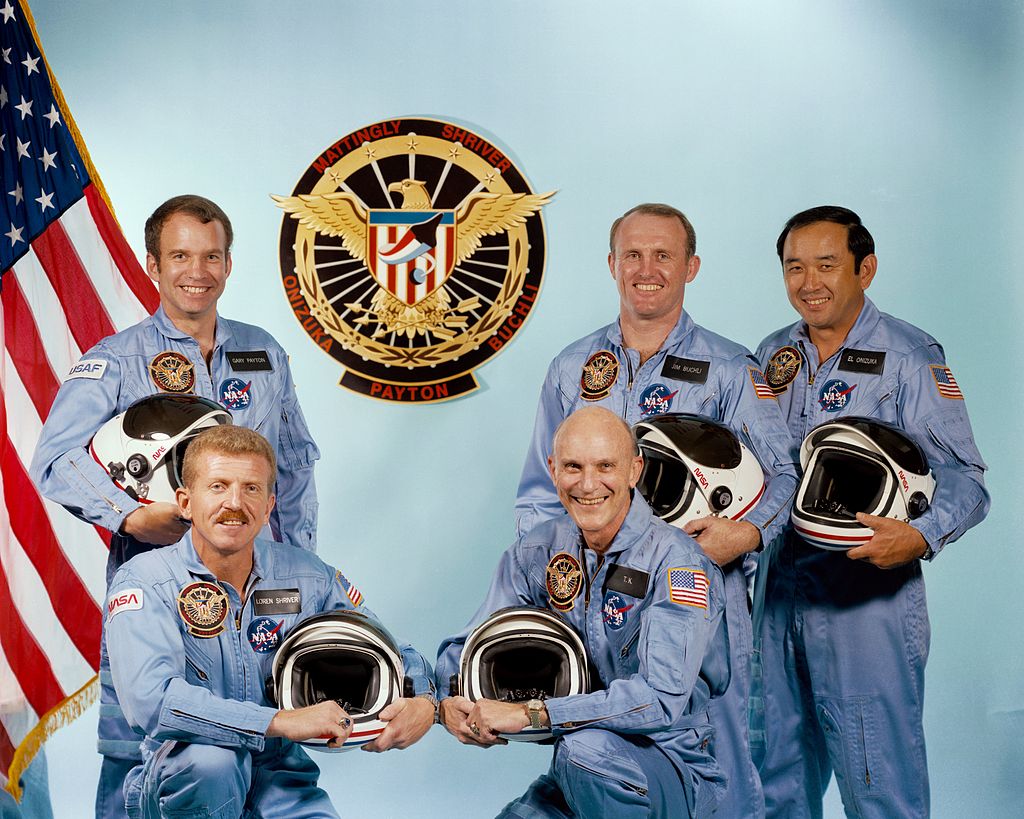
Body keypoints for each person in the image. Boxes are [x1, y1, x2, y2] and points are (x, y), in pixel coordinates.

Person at [29, 195, 321, 819]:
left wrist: (295, 571)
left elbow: (293, 467)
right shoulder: (117, 358)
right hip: (162, 586)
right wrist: (130, 517)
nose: (198, 271)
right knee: (148, 752)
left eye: (211, 256)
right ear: (153, 265)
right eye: (181, 255)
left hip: (257, 594)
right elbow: (55, 457)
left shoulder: (264, 353)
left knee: (263, 747)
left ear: (229, 264)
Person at [516, 203, 797, 816]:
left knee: (717, 762)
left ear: (690, 266)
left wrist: (745, 534)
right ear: (612, 265)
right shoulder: (572, 368)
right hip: (595, 597)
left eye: (663, 255)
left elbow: (784, 474)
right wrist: (554, 580)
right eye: (633, 255)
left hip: (698, 593)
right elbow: (540, 490)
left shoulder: (730, 368)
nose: (647, 269)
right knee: (596, 748)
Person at [752, 206, 989, 818]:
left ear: (866, 269)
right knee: (773, 774)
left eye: (827, 265)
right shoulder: (774, 355)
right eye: (794, 267)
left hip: (867, 602)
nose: (809, 283)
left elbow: (967, 479)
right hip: (778, 594)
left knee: (876, 777)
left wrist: (920, 536)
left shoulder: (910, 356)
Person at [105, 425, 436, 818]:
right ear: (185, 501)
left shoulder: (307, 576)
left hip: (281, 778)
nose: (234, 502)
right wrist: (278, 721)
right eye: (218, 486)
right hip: (182, 777)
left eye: (251, 488)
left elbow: (385, 648)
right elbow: (153, 702)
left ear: (268, 506)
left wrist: (424, 700)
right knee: (214, 762)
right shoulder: (145, 581)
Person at [439, 407, 730, 817]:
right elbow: (470, 644)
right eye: (573, 467)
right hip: (579, 768)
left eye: (605, 466)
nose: (588, 484)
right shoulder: (540, 550)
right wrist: (443, 701)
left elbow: (659, 700)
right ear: (553, 470)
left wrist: (531, 714)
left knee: (583, 748)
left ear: (634, 470)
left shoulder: (678, 562)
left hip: (667, 765)